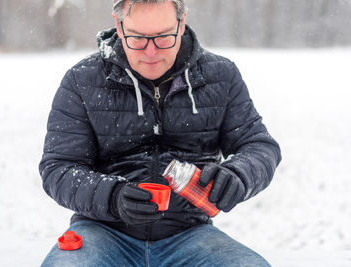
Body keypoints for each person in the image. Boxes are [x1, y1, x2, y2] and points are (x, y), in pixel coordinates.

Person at [39, 0, 281, 266]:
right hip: (101, 232)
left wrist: (239, 174)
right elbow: (58, 168)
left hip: (190, 234)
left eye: (164, 37)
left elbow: (259, 146)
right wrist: (113, 196)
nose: (151, 51)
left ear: (182, 23)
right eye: (138, 39)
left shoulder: (221, 76)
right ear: (119, 26)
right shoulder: (82, 80)